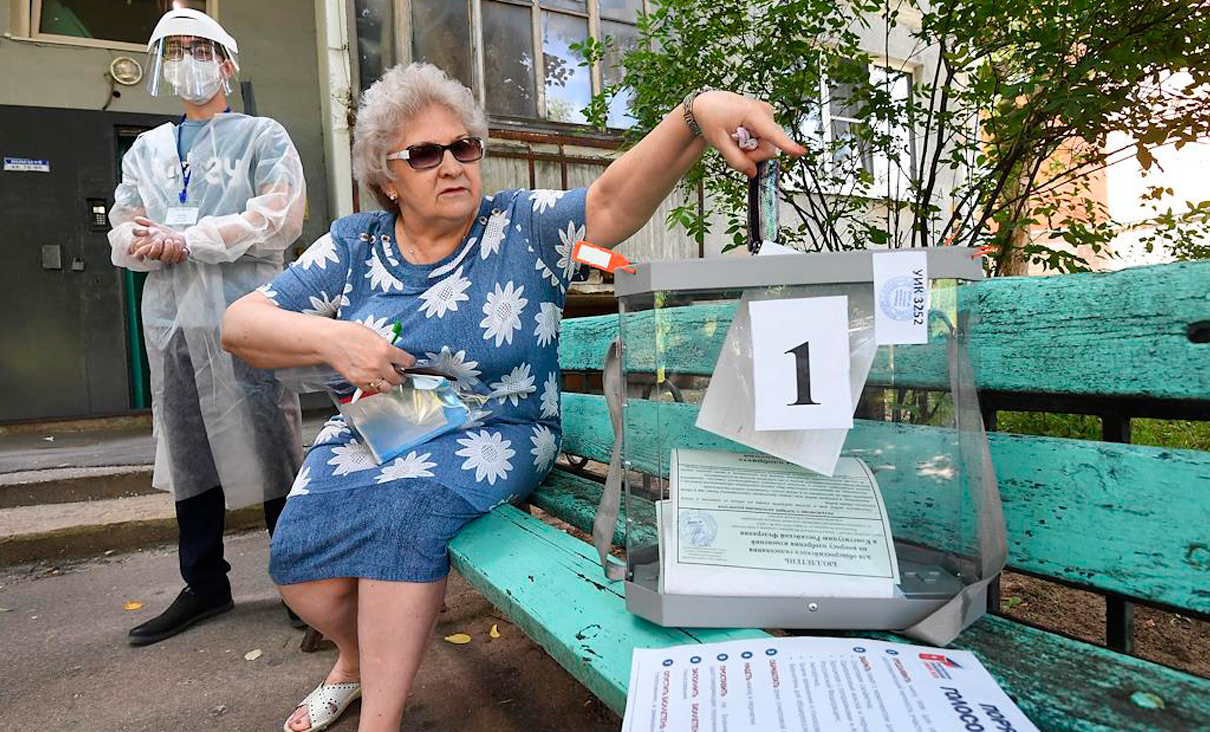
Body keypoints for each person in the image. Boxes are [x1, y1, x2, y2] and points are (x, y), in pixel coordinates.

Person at [221, 63, 802, 732]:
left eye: (464, 145)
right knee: (301, 565)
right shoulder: (357, 245)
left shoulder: (521, 225)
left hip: (502, 422)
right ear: (387, 177)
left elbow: (611, 201)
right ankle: (353, 658)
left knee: (406, 512)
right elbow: (241, 326)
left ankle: (379, 719)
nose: (452, 164)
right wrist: (333, 339)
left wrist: (694, 115)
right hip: (395, 415)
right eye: (425, 153)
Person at [107, 7, 308, 646]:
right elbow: (122, 221)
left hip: (244, 313)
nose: (187, 61)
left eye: (198, 47)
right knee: (188, 447)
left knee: (273, 439)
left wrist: (189, 238)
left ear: (225, 61)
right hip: (171, 321)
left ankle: (302, 583)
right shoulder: (147, 149)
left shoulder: (263, 136)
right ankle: (204, 585)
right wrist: (141, 240)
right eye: (174, 50)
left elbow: (278, 216)